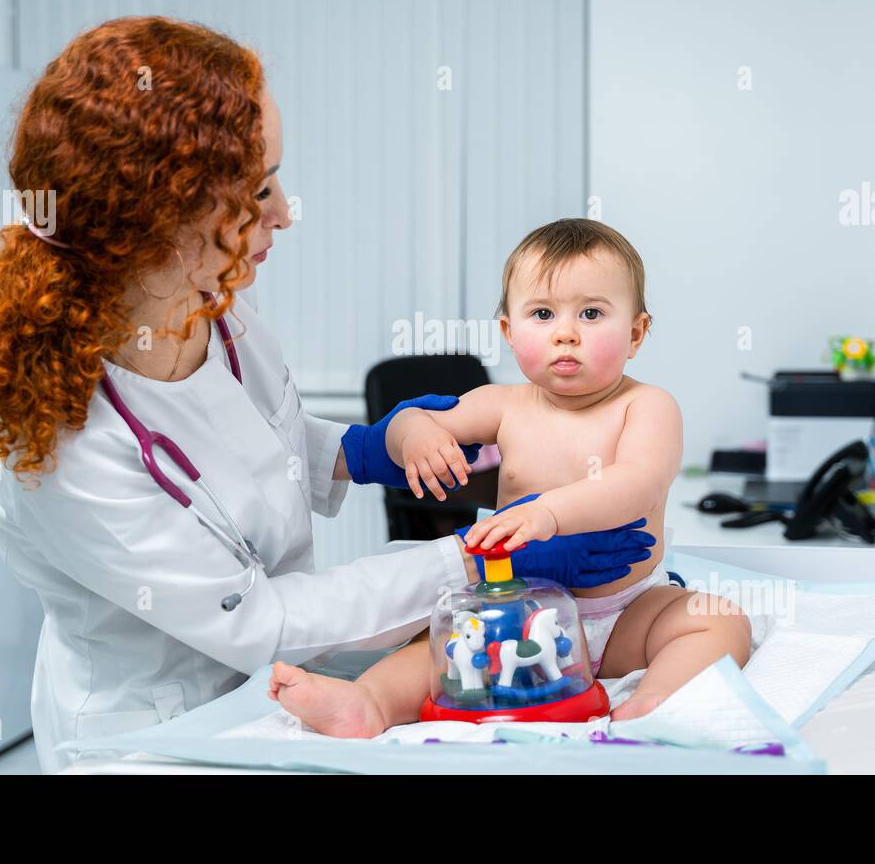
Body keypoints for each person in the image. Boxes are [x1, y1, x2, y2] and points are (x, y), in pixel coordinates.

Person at [0, 18, 653, 772]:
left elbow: (253, 443)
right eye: (257, 189)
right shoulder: (63, 448)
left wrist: (364, 449)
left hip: (269, 694)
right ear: (161, 221)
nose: (283, 210)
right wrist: (475, 563)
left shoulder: (212, 306)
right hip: (148, 736)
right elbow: (259, 620)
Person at [270, 219, 752, 735]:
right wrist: (412, 435)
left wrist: (547, 512)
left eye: (591, 313)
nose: (566, 332)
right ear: (508, 331)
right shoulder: (504, 406)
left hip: (626, 610)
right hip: (513, 611)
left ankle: (653, 698)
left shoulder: (648, 406)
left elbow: (638, 482)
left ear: (635, 333)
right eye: (542, 314)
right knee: (435, 648)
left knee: (717, 620)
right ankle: (368, 703)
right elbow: (415, 420)